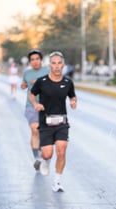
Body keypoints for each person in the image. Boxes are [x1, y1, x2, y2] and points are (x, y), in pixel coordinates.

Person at [29, 51, 77, 192]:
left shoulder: (68, 82)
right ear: (50, 65)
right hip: (46, 123)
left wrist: (73, 102)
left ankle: (57, 182)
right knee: (47, 153)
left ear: (63, 65)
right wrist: (35, 104)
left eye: (59, 63)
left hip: (62, 122)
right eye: (54, 63)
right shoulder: (42, 82)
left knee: (61, 150)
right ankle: (45, 160)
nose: (56, 66)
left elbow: (72, 96)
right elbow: (32, 94)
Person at [21, 50, 50, 171]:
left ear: (41, 60)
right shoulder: (27, 73)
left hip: (46, 107)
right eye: (32, 59)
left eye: (37, 59)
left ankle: (43, 153)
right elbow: (24, 84)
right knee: (34, 130)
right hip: (31, 106)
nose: (35, 61)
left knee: (44, 133)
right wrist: (23, 85)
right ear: (30, 62)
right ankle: (37, 158)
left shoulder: (48, 71)